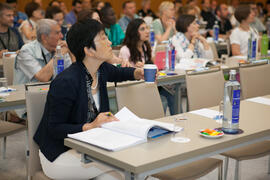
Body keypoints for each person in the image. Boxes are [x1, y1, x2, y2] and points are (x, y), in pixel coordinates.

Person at [33, 19, 144, 180]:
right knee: (123, 170)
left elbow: (119, 73)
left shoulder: (100, 69)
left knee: (128, 165)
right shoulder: (66, 81)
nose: (110, 42)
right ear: (89, 51)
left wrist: (137, 73)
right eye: (103, 38)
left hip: (91, 147)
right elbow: (54, 128)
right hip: (60, 154)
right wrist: (90, 126)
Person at [119, 18, 176, 115]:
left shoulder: (145, 46)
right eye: (142, 29)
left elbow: (154, 66)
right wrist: (136, 69)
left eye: (147, 28)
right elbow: (123, 74)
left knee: (172, 94)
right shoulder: (125, 50)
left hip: (148, 84)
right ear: (134, 32)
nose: (147, 31)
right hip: (134, 88)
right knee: (163, 100)